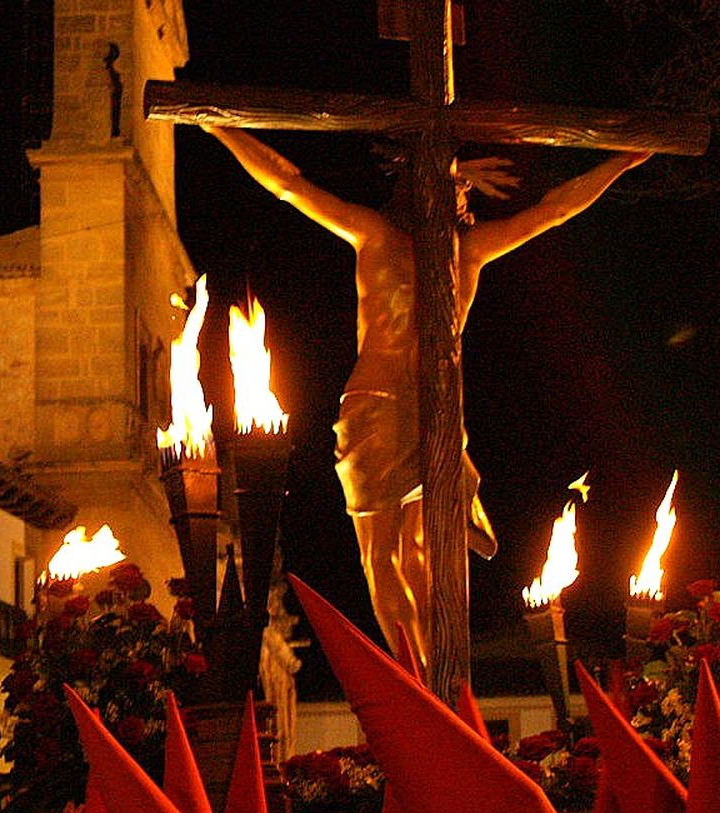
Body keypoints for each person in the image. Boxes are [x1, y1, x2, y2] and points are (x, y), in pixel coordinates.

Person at [206, 124, 649, 666]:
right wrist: (218, 125)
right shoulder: (376, 235)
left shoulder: (470, 251)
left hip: (439, 411)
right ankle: (413, 672)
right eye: (448, 187)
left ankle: (440, 670)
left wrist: (620, 164)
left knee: (431, 556)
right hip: (376, 404)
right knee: (383, 551)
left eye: (459, 193)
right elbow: (289, 183)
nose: (457, 199)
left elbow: (553, 210)